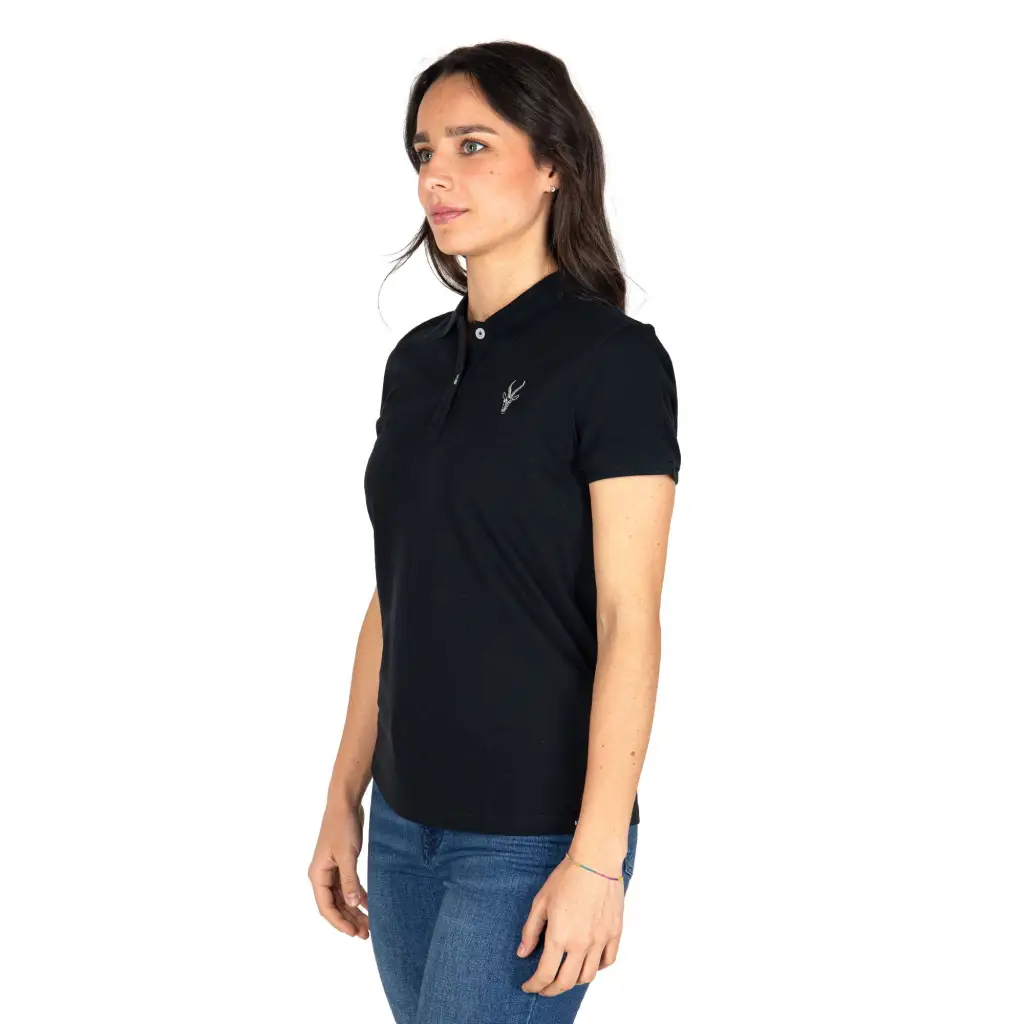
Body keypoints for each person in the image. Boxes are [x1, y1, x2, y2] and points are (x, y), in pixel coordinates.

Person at [309, 41, 681, 1023]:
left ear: (553, 161)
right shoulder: (415, 364)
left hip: (531, 836)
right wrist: (344, 796)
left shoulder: (612, 361)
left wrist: (595, 857)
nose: (437, 174)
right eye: (424, 150)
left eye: (473, 145)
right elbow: (398, 591)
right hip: (404, 827)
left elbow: (629, 618)